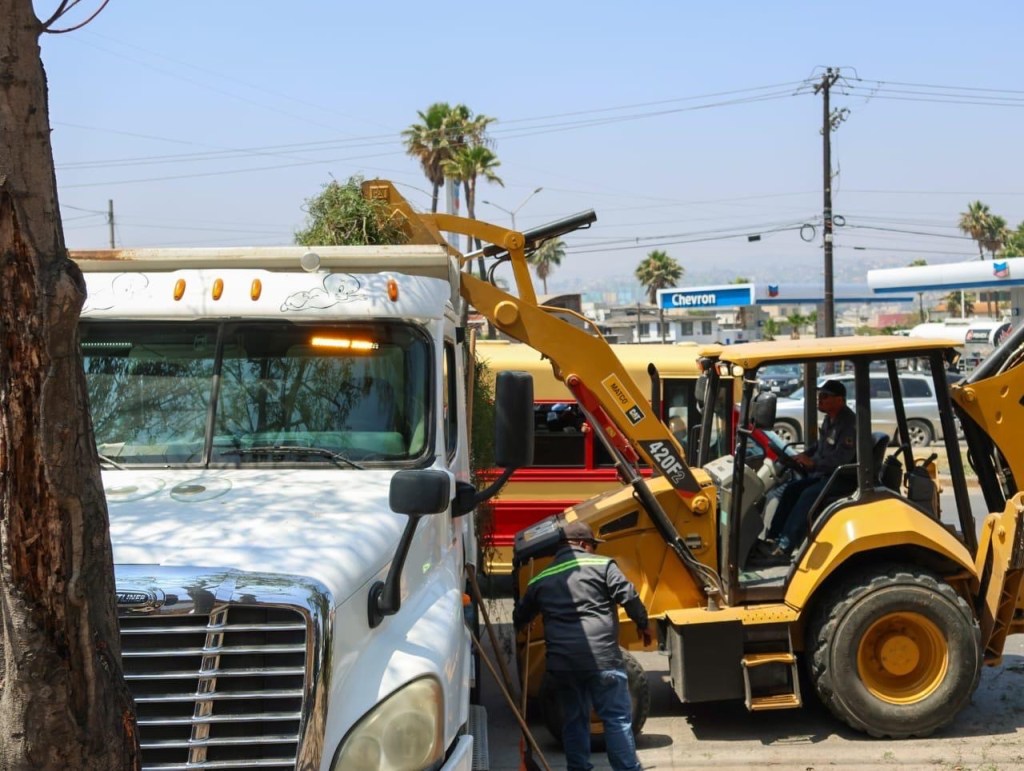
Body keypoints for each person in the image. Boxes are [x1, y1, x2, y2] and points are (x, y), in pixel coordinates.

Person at [513, 519, 651, 771]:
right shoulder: (603, 565)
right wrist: (643, 624)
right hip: (603, 660)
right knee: (616, 720)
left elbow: (520, 615)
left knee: (574, 721)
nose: (594, 551)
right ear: (582, 544)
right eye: (592, 546)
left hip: (562, 665)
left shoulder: (542, 578)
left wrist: (525, 623)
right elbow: (628, 595)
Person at [756, 378, 857, 561]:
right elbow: (820, 447)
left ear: (840, 400)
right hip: (827, 475)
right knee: (791, 489)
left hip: (842, 478)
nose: (820, 399)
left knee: (807, 495)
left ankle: (785, 547)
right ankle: (772, 539)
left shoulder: (849, 424)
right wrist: (801, 456)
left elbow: (842, 459)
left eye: (825, 396)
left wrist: (813, 464)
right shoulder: (830, 420)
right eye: (820, 395)